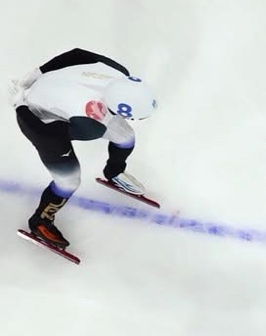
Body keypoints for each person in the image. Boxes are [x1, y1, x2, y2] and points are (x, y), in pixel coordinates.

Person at [12, 48, 159, 253]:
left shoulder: (119, 73)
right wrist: (19, 105)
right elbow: (44, 134)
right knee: (69, 181)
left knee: (125, 137)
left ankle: (114, 172)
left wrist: (39, 71)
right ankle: (40, 221)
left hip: (56, 88)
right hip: (40, 120)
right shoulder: (90, 126)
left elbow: (78, 54)